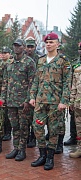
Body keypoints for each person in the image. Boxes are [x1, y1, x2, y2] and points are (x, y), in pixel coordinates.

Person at [29, 32, 71, 170]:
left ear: (57, 44)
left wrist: (64, 101)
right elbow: (36, 80)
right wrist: (32, 96)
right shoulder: (40, 60)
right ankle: (42, 154)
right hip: (40, 101)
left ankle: (50, 158)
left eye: (51, 42)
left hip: (55, 103)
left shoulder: (63, 61)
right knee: (37, 127)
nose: (48, 44)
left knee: (53, 131)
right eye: (47, 42)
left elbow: (67, 82)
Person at [1, 39, 36, 161]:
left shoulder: (29, 63)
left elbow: (32, 83)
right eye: (15, 45)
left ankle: (22, 150)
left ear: (24, 47)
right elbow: (5, 81)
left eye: (19, 46)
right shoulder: (9, 63)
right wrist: (3, 98)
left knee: (23, 127)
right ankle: (15, 148)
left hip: (23, 102)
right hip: (11, 101)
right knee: (14, 126)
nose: (16, 48)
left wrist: (28, 100)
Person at [1, 46, 12, 141]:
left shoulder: (10, 63)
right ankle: (4, 131)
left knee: (8, 115)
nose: (3, 55)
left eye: (6, 53)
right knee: (2, 114)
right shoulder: (0, 63)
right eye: (2, 53)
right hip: (0, 91)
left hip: (9, 92)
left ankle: (8, 132)